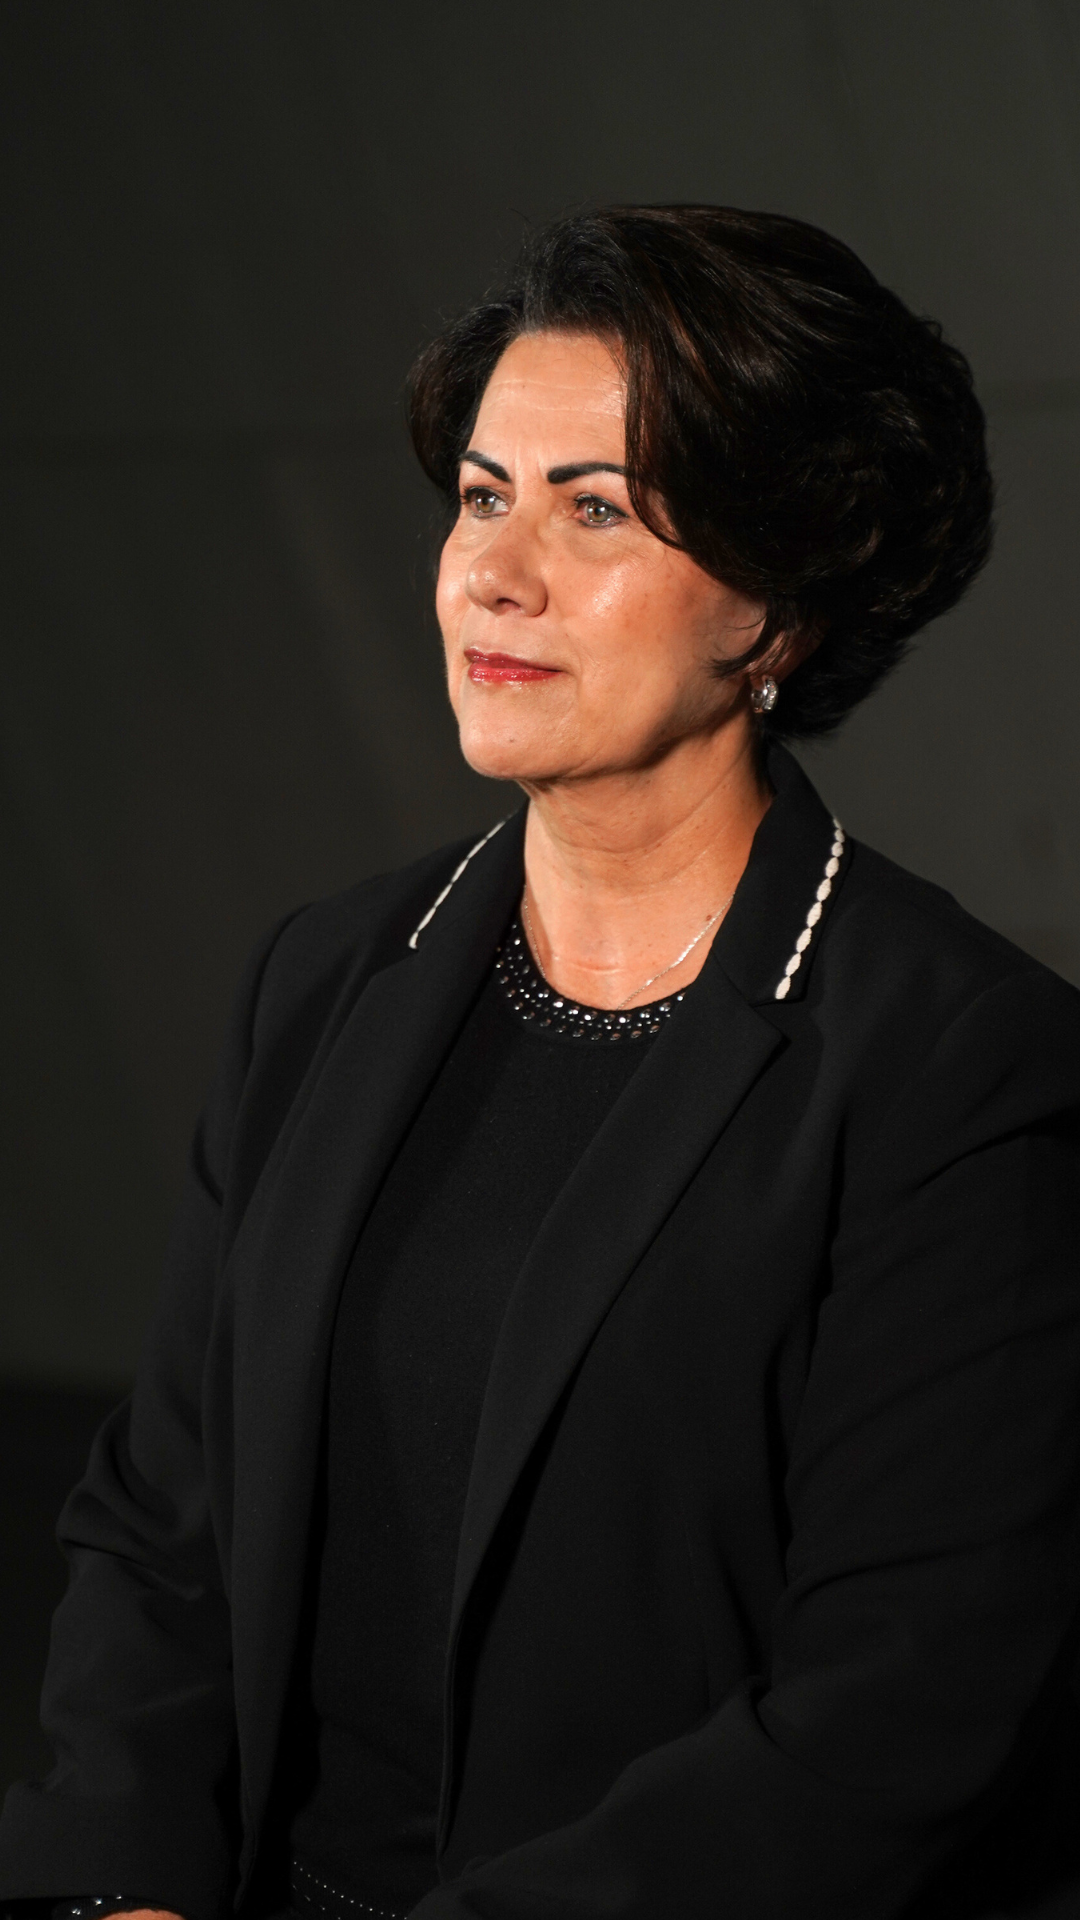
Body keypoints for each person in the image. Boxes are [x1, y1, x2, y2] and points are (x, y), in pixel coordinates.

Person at [1, 204, 1078, 1920]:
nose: (494, 574)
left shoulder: (959, 1064)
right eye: (482, 495)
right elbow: (161, 1525)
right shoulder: (324, 978)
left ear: (779, 606)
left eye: (595, 510)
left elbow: (900, 1708)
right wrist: (122, 1895)